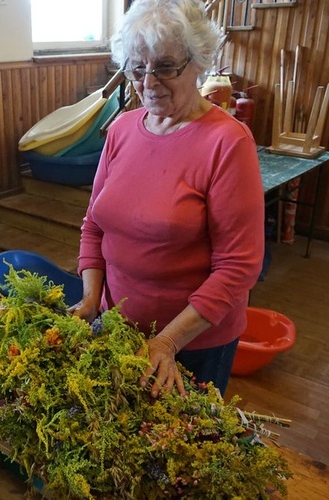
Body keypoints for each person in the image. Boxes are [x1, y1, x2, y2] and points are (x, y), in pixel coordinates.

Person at [69, 0, 264, 398]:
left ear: (199, 62)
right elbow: (94, 226)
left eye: (165, 67)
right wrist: (91, 299)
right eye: (137, 69)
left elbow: (238, 268)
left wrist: (169, 342)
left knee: (182, 449)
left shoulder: (227, 142)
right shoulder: (122, 129)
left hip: (192, 343)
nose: (149, 82)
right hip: (117, 326)